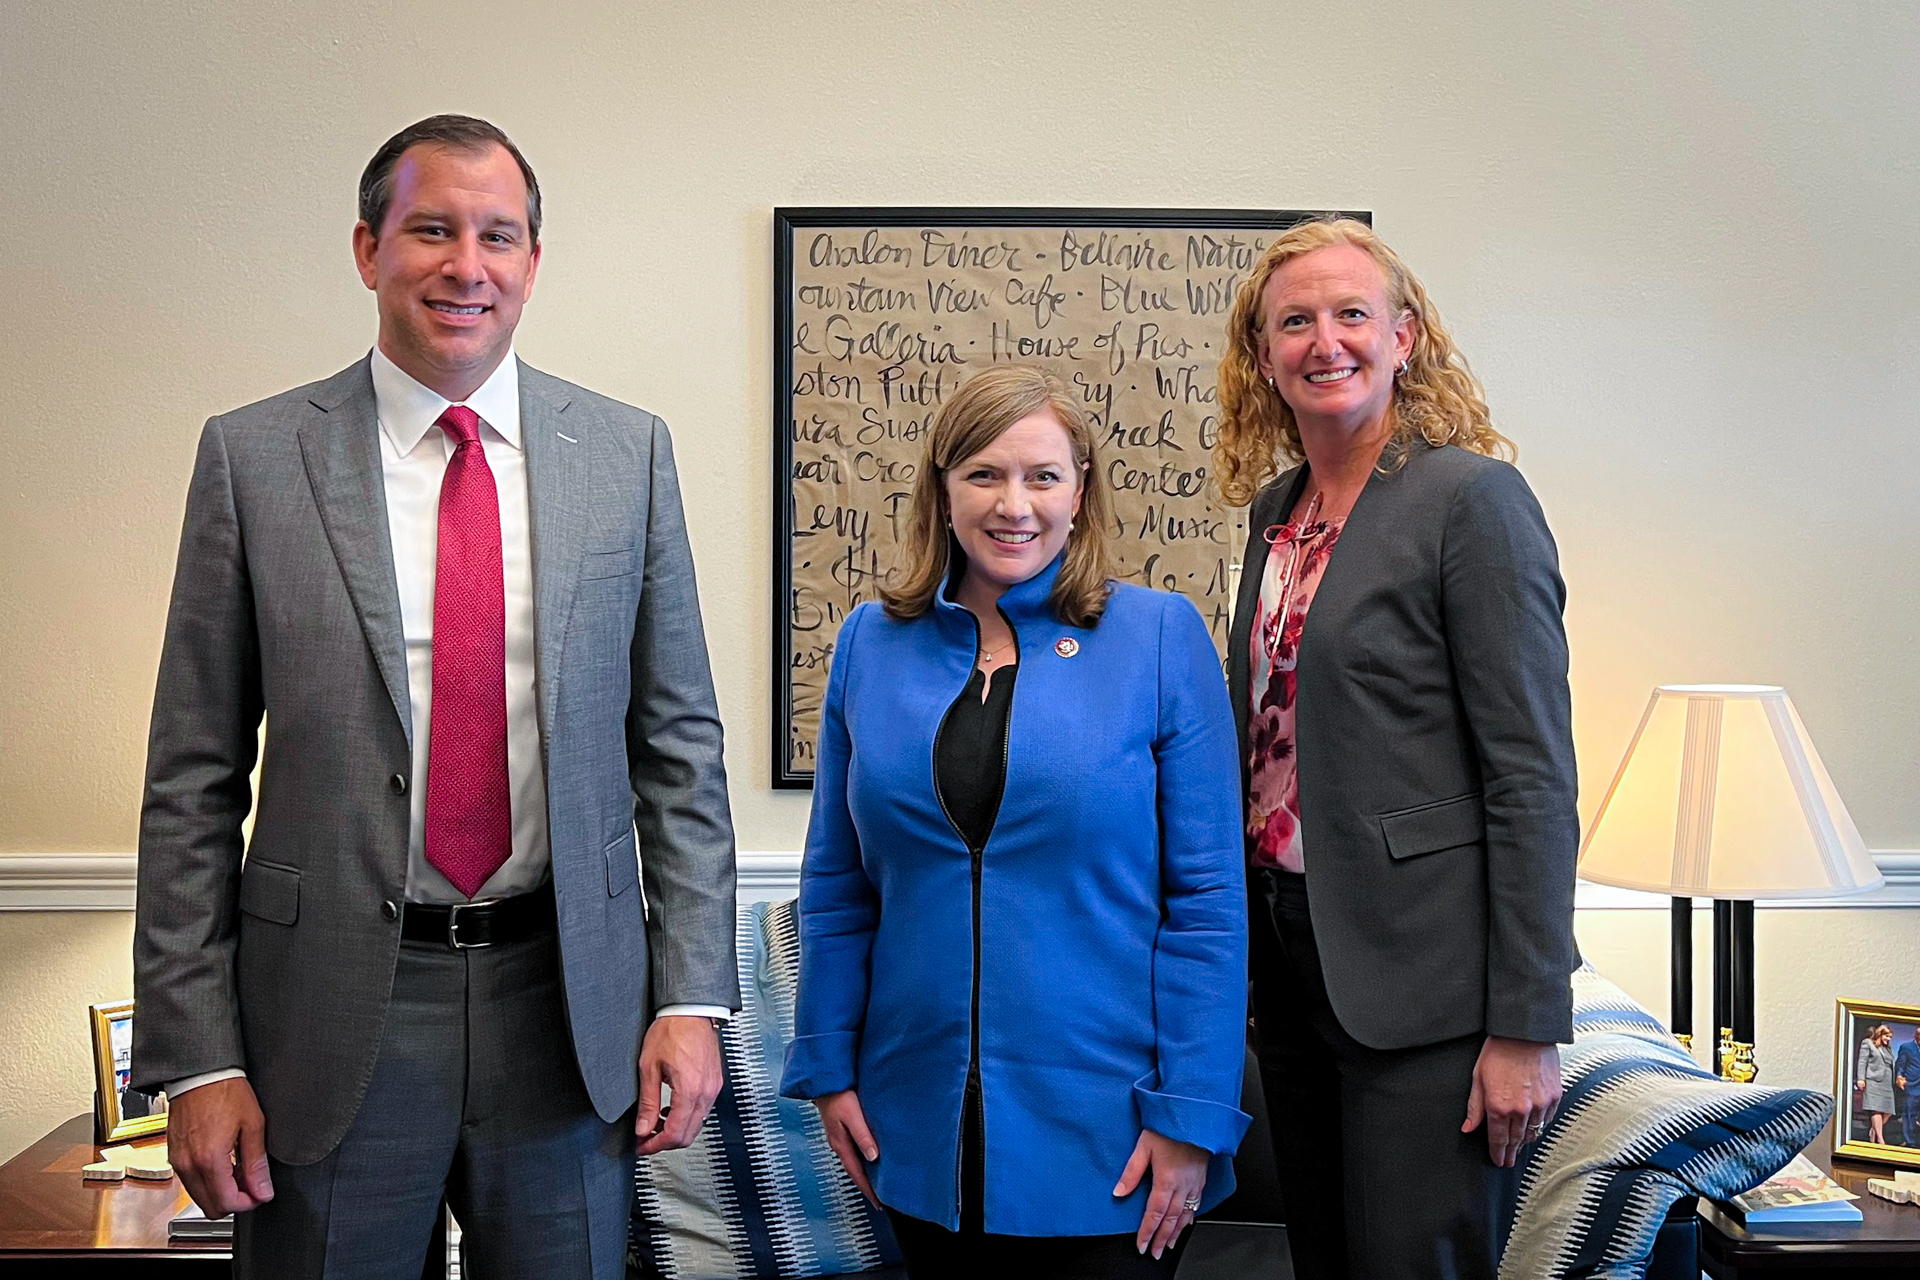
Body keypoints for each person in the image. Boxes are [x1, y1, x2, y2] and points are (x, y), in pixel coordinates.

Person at [131, 115, 738, 1279]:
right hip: (328, 1019)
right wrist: (199, 1057)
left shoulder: (627, 453)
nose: (468, 265)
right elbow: (191, 777)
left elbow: (679, 749)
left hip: (565, 1009)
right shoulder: (254, 460)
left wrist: (695, 991)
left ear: (532, 263)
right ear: (367, 250)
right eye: (432, 230)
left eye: (497, 236)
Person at [780, 365, 1249, 1278]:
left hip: (1111, 1137)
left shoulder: (1159, 637)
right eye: (984, 475)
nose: (1014, 504)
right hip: (911, 1122)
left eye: (1043, 476)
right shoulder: (870, 644)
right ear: (943, 491)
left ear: (1081, 493)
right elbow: (837, 888)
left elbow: (1206, 902)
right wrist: (829, 1065)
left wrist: (1191, 1116)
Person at [1213, 217, 1579, 1280]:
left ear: (1404, 336)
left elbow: (1532, 778)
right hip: (1287, 959)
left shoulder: (1471, 501)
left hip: (1426, 986)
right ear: (1264, 355)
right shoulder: (1277, 515)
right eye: (1294, 322)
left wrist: (1525, 1024)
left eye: (1351, 314)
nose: (1325, 341)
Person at [1856, 1024, 1895, 1145]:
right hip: (1873, 1081)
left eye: (1890, 1037)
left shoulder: (1888, 1048)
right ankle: (1880, 1138)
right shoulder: (1868, 1043)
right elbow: (1862, 1061)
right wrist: (1861, 1078)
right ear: (1880, 1034)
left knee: (1888, 1112)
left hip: (1887, 1082)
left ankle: (1873, 1130)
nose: (1888, 1039)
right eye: (1886, 1036)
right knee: (1876, 1110)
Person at [1896, 1025, 1920, 1148]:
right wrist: (1899, 1076)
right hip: (1912, 1085)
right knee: (1909, 1114)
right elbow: (1900, 1065)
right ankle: (1910, 1141)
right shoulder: (1906, 1047)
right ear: (1916, 1036)